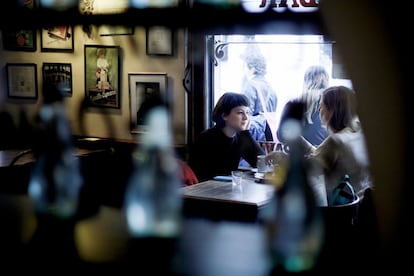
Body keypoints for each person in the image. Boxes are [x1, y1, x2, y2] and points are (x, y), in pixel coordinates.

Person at [268, 86, 373, 203]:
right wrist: (302, 142)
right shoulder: (358, 134)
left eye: (322, 105)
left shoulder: (336, 141)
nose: (318, 109)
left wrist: (280, 157)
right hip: (361, 207)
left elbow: (305, 170)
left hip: (337, 213)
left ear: (332, 111)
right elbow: (323, 157)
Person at [188, 92, 264, 182]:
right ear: (224, 116)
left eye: (247, 112)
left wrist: (245, 132)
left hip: (228, 189)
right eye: (240, 113)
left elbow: (261, 165)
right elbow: (201, 175)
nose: (246, 117)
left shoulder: (241, 137)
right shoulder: (206, 139)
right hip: (207, 190)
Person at [277, 65, 329, 147]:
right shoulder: (332, 102)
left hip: (299, 153)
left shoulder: (296, 103)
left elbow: (281, 135)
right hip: (324, 153)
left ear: (306, 80)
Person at [240, 45, 278, 142]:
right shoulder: (270, 87)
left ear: (251, 68)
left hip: (257, 136)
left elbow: (246, 114)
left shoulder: (250, 86)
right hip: (270, 134)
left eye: (244, 66)